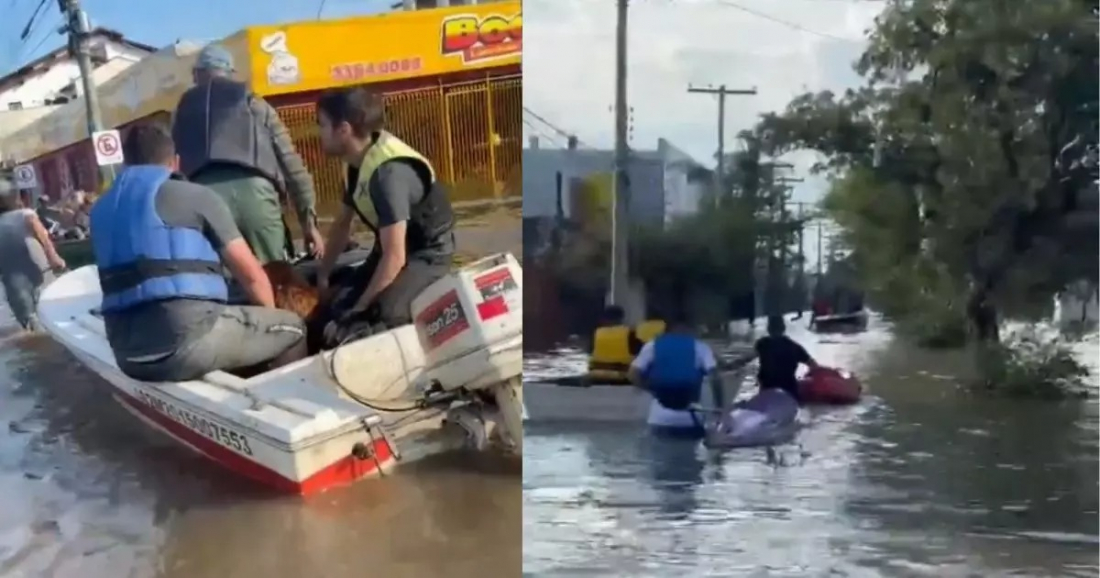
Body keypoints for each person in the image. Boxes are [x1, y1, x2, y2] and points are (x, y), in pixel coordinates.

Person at [89, 122, 307, 382]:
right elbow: (252, 277)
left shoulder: (99, 211)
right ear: (175, 163)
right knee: (294, 328)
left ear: (126, 166)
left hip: (125, 355)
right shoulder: (196, 196)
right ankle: (279, 404)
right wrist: (269, 327)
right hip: (185, 346)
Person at [310, 86, 456, 348]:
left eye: (321, 125)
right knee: (336, 305)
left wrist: (361, 309)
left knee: (380, 315)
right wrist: (323, 274)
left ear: (343, 130)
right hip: (391, 250)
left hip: (427, 255)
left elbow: (395, 256)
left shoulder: (388, 176)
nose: (318, 133)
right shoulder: (355, 162)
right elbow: (343, 223)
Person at [171, 43, 325, 264]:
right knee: (275, 279)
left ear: (197, 74)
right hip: (258, 196)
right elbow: (291, 164)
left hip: (205, 201)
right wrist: (308, 223)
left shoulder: (181, 110)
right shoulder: (254, 103)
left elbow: (169, 166)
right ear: (230, 73)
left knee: (222, 285)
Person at [629, 313, 724, 438]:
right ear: (687, 328)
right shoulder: (700, 347)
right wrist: (719, 407)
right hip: (690, 417)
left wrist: (651, 389)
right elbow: (715, 377)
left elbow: (632, 374)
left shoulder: (652, 345)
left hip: (659, 417)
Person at [0, 177, 66, 331]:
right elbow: (43, 236)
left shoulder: (25, 215)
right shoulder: (26, 214)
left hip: (14, 278)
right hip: (37, 270)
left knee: (28, 321)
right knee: (49, 310)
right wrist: (53, 257)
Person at [754, 315, 819, 402]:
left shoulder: (762, 344)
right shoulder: (794, 347)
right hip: (790, 392)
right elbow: (813, 365)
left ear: (768, 329)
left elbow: (748, 358)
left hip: (767, 390)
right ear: (784, 328)